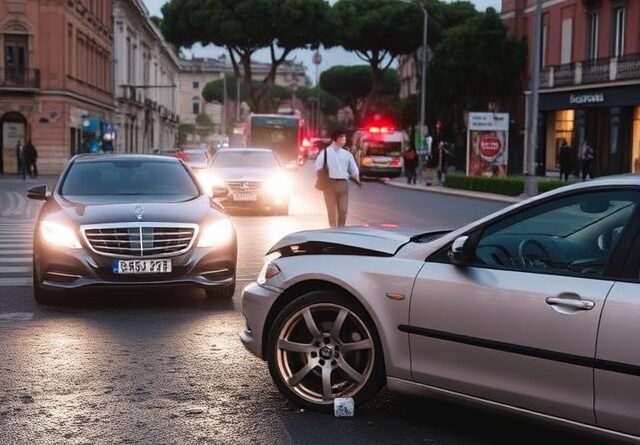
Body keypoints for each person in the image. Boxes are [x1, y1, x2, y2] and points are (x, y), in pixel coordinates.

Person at [314, 129, 360, 228]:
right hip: (329, 184)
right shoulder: (325, 152)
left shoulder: (347, 153)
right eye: (342, 138)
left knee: (343, 209)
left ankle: (341, 228)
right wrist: (322, 179)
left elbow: (353, 168)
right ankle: (333, 229)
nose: (344, 140)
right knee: (331, 210)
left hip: (343, 184)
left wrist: (357, 177)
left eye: (344, 138)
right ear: (336, 139)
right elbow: (318, 167)